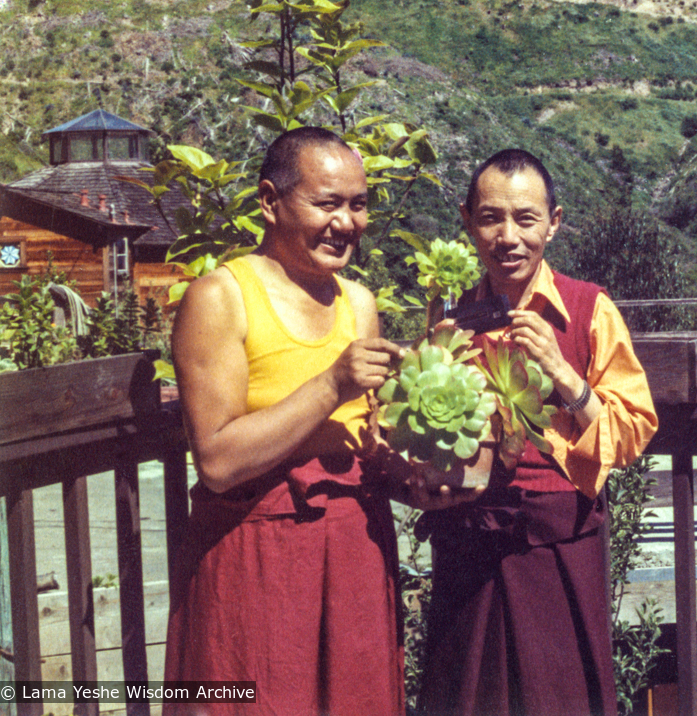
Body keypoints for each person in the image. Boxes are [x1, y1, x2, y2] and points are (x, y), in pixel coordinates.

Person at [163, 127, 469, 715]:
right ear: (269, 202)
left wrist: (414, 480)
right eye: (327, 203)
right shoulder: (220, 297)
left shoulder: (359, 303)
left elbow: (367, 438)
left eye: (357, 205)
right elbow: (219, 462)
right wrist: (331, 383)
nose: (347, 222)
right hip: (255, 556)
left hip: (353, 549)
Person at [417, 149, 659, 716]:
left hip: (557, 550)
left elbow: (631, 433)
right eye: (490, 218)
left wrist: (563, 373)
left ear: (554, 223)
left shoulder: (588, 309)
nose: (508, 237)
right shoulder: (450, 320)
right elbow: (421, 435)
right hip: (468, 549)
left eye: (526, 218)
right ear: (467, 221)